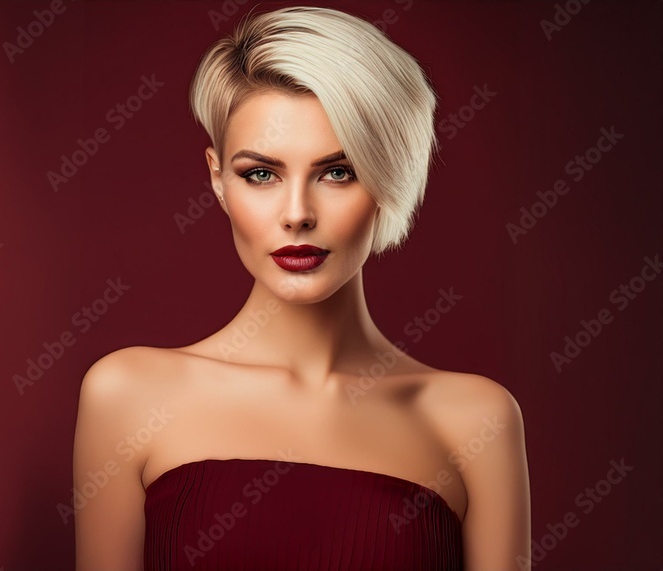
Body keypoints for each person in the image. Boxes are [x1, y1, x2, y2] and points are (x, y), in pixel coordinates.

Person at [73, 5, 530, 570]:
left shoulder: (475, 419)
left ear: (391, 176)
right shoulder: (127, 394)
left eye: (338, 172)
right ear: (218, 180)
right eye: (260, 174)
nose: (297, 214)